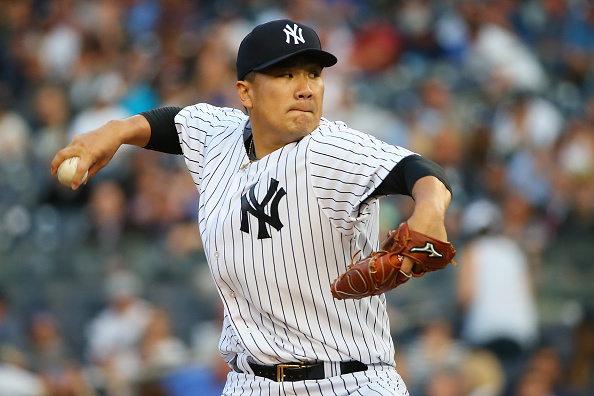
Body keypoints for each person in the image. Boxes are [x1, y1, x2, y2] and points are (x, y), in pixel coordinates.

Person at [52, 19, 453, 396]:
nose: (306, 88)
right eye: (285, 75)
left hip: (348, 381)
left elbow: (419, 171)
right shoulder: (221, 134)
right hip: (251, 383)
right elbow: (170, 124)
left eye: (313, 73)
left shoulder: (330, 149)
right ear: (246, 92)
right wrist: (113, 131)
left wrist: (430, 210)